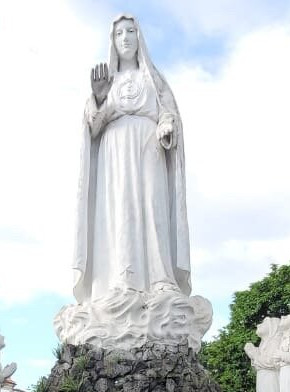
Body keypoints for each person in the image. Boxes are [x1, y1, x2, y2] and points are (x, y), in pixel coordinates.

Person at [73, 14, 190, 304]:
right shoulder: (107, 83)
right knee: (120, 212)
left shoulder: (153, 80)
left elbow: (168, 112)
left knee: (153, 208)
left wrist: (166, 125)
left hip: (149, 148)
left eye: (130, 31)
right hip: (114, 155)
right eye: (119, 34)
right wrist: (99, 99)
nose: (125, 38)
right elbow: (93, 128)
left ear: (139, 38)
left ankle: (160, 279)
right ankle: (122, 279)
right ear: (112, 42)